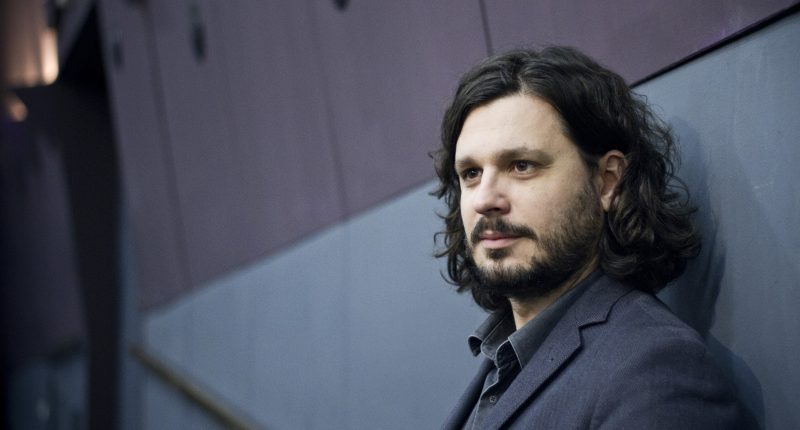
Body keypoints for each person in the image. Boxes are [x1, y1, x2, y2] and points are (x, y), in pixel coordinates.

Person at [433, 46, 742, 429]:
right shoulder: (502, 359)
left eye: (522, 166)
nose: (484, 200)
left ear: (607, 181)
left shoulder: (656, 368)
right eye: (471, 173)